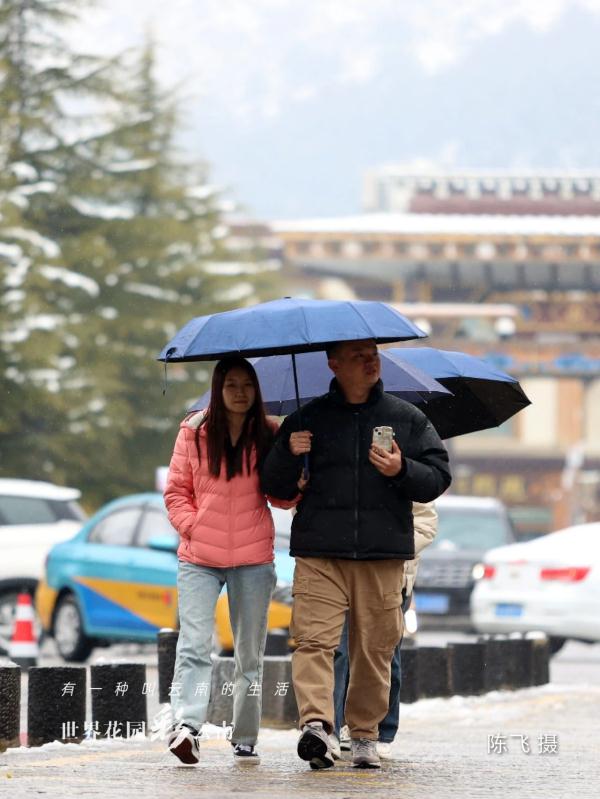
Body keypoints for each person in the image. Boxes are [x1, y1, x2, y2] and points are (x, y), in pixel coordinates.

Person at [260, 339, 451, 770]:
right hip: (320, 551)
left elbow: (438, 477)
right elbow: (275, 486)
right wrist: (289, 455)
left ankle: (364, 733)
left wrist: (402, 469)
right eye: (359, 356)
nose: (370, 362)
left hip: (382, 554)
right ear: (334, 363)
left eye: (373, 355)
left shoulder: (407, 418)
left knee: (374, 649)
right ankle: (316, 725)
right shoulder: (306, 420)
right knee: (313, 641)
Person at [163, 356, 297, 765]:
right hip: (199, 558)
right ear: (217, 390)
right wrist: (194, 527)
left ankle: (246, 736)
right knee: (194, 644)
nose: (240, 393)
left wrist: (296, 464)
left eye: (248, 385)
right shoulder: (193, 431)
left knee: (249, 654)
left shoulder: (271, 433)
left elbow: (282, 497)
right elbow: (176, 492)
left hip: (253, 559)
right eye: (231, 385)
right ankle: (187, 727)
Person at [332, 501, 439, 760]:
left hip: (394, 573)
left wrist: (389, 547)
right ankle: (335, 728)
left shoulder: (407, 476)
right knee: (340, 652)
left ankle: (383, 731)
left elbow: (425, 524)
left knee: (385, 653)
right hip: (343, 568)